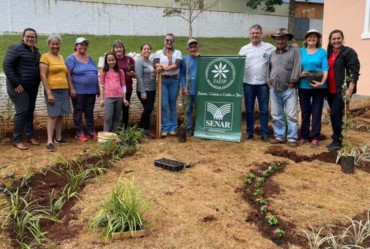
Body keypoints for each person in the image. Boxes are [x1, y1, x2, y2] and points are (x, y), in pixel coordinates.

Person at [3, 28, 41, 150]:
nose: (30, 39)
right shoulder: (16, 48)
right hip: (18, 87)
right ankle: (17, 138)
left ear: (36, 39)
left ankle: (30, 135)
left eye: (33, 37)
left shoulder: (36, 52)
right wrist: (15, 83)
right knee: (22, 110)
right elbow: (6, 65)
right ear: (22, 37)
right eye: (28, 36)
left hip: (32, 87)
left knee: (30, 110)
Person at [238, 24, 275, 142]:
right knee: (249, 110)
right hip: (248, 83)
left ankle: (264, 133)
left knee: (264, 110)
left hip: (263, 84)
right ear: (250, 35)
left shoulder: (269, 48)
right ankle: (249, 132)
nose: (255, 35)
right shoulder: (244, 49)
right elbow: (237, 64)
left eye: (257, 33)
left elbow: (281, 52)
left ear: (261, 34)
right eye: (253, 33)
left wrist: (293, 48)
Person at [326, 30, 360, 151]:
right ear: (330, 40)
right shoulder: (330, 53)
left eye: (338, 38)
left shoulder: (349, 52)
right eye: (333, 39)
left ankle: (337, 140)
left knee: (335, 114)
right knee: (336, 114)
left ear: (342, 38)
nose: (336, 41)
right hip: (330, 90)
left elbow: (354, 72)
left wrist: (349, 90)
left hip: (342, 90)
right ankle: (337, 136)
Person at [267, 28, 301, 147]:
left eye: (282, 38)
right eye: (278, 38)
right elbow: (268, 68)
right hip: (274, 88)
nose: (280, 41)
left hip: (289, 88)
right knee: (276, 114)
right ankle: (279, 136)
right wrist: (269, 82)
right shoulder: (272, 53)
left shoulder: (294, 51)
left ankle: (292, 138)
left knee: (291, 114)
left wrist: (293, 81)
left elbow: (297, 66)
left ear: (287, 39)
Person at [40, 35, 72, 152]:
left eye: (57, 44)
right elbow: (43, 76)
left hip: (64, 89)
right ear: (49, 45)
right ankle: (49, 140)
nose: (55, 46)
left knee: (60, 114)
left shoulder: (61, 57)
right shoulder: (45, 57)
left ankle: (58, 137)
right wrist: (49, 93)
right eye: (52, 44)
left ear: (60, 45)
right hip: (52, 89)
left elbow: (65, 74)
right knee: (53, 114)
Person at [298, 29, 328, 147]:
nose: (312, 39)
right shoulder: (300, 51)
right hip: (303, 86)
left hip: (319, 87)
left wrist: (322, 82)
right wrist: (299, 74)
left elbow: (325, 69)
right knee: (305, 112)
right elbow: (296, 67)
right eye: (309, 37)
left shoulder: (322, 52)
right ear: (306, 39)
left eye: (315, 37)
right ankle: (304, 136)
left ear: (318, 39)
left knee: (316, 112)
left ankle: (315, 137)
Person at [66, 37, 99, 142]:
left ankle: (91, 131)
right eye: (80, 44)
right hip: (78, 91)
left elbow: (95, 73)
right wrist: (71, 88)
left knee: (89, 111)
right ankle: (79, 133)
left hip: (91, 91)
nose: (83, 46)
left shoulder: (90, 58)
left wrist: (97, 87)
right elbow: (68, 75)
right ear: (76, 46)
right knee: (78, 112)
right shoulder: (71, 58)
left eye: (85, 45)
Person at [154, 33, 182, 137]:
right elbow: (155, 63)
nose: (169, 42)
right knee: (164, 105)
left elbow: (177, 64)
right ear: (164, 41)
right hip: (163, 80)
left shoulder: (177, 52)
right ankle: (165, 127)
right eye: (167, 40)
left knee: (172, 104)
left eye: (171, 40)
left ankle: (173, 127)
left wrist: (166, 68)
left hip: (174, 80)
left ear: (173, 42)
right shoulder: (158, 52)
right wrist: (162, 65)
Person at [99, 52, 129, 132]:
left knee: (117, 117)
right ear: (106, 61)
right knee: (108, 117)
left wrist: (124, 98)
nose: (111, 62)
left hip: (119, 97)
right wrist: (102, 99)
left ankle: (115, 134)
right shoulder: (104, 72)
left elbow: (123, 85)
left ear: (116, 60)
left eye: (113, 60)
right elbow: (101, 85)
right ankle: (106, 135)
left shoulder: (120, 71)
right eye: (109, 60)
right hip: (109, 97)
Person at [112, 40, 135, 130]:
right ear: (114, 49)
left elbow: (134, 73)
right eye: (117, 47)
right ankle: (115, 129)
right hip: (115, 88)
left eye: (120, 47)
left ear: (123, 48)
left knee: (125, 108)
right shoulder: (111, 59)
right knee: (115, 109)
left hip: (127, 87)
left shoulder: (129, 59)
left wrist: (133, 73)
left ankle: (125, 128)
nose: (119, 49)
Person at [179, 38, 200, 136]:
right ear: (187, 48)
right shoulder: (184, 60)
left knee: (199, 110)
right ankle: (189, 129)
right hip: (188, 89)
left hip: (199, 89)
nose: (193, 49)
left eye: (194, 47)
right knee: (187, 110)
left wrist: (201, 56)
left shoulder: (201, 58)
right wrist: (184, 86)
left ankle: (199, 128)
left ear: (197, 48)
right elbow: (182, 75)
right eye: (191, 47)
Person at [135, 43, 156, 133]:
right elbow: (139, 77)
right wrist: (143, 91)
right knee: (148, 108)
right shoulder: (139, 62)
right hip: (143, 89)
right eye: (144, 49)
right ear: (141, 51)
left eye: (148, 49)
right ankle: (142, 128)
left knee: (150, 108)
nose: (147, 50)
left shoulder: (151, 62)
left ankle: (146, 128)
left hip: (152, 89)